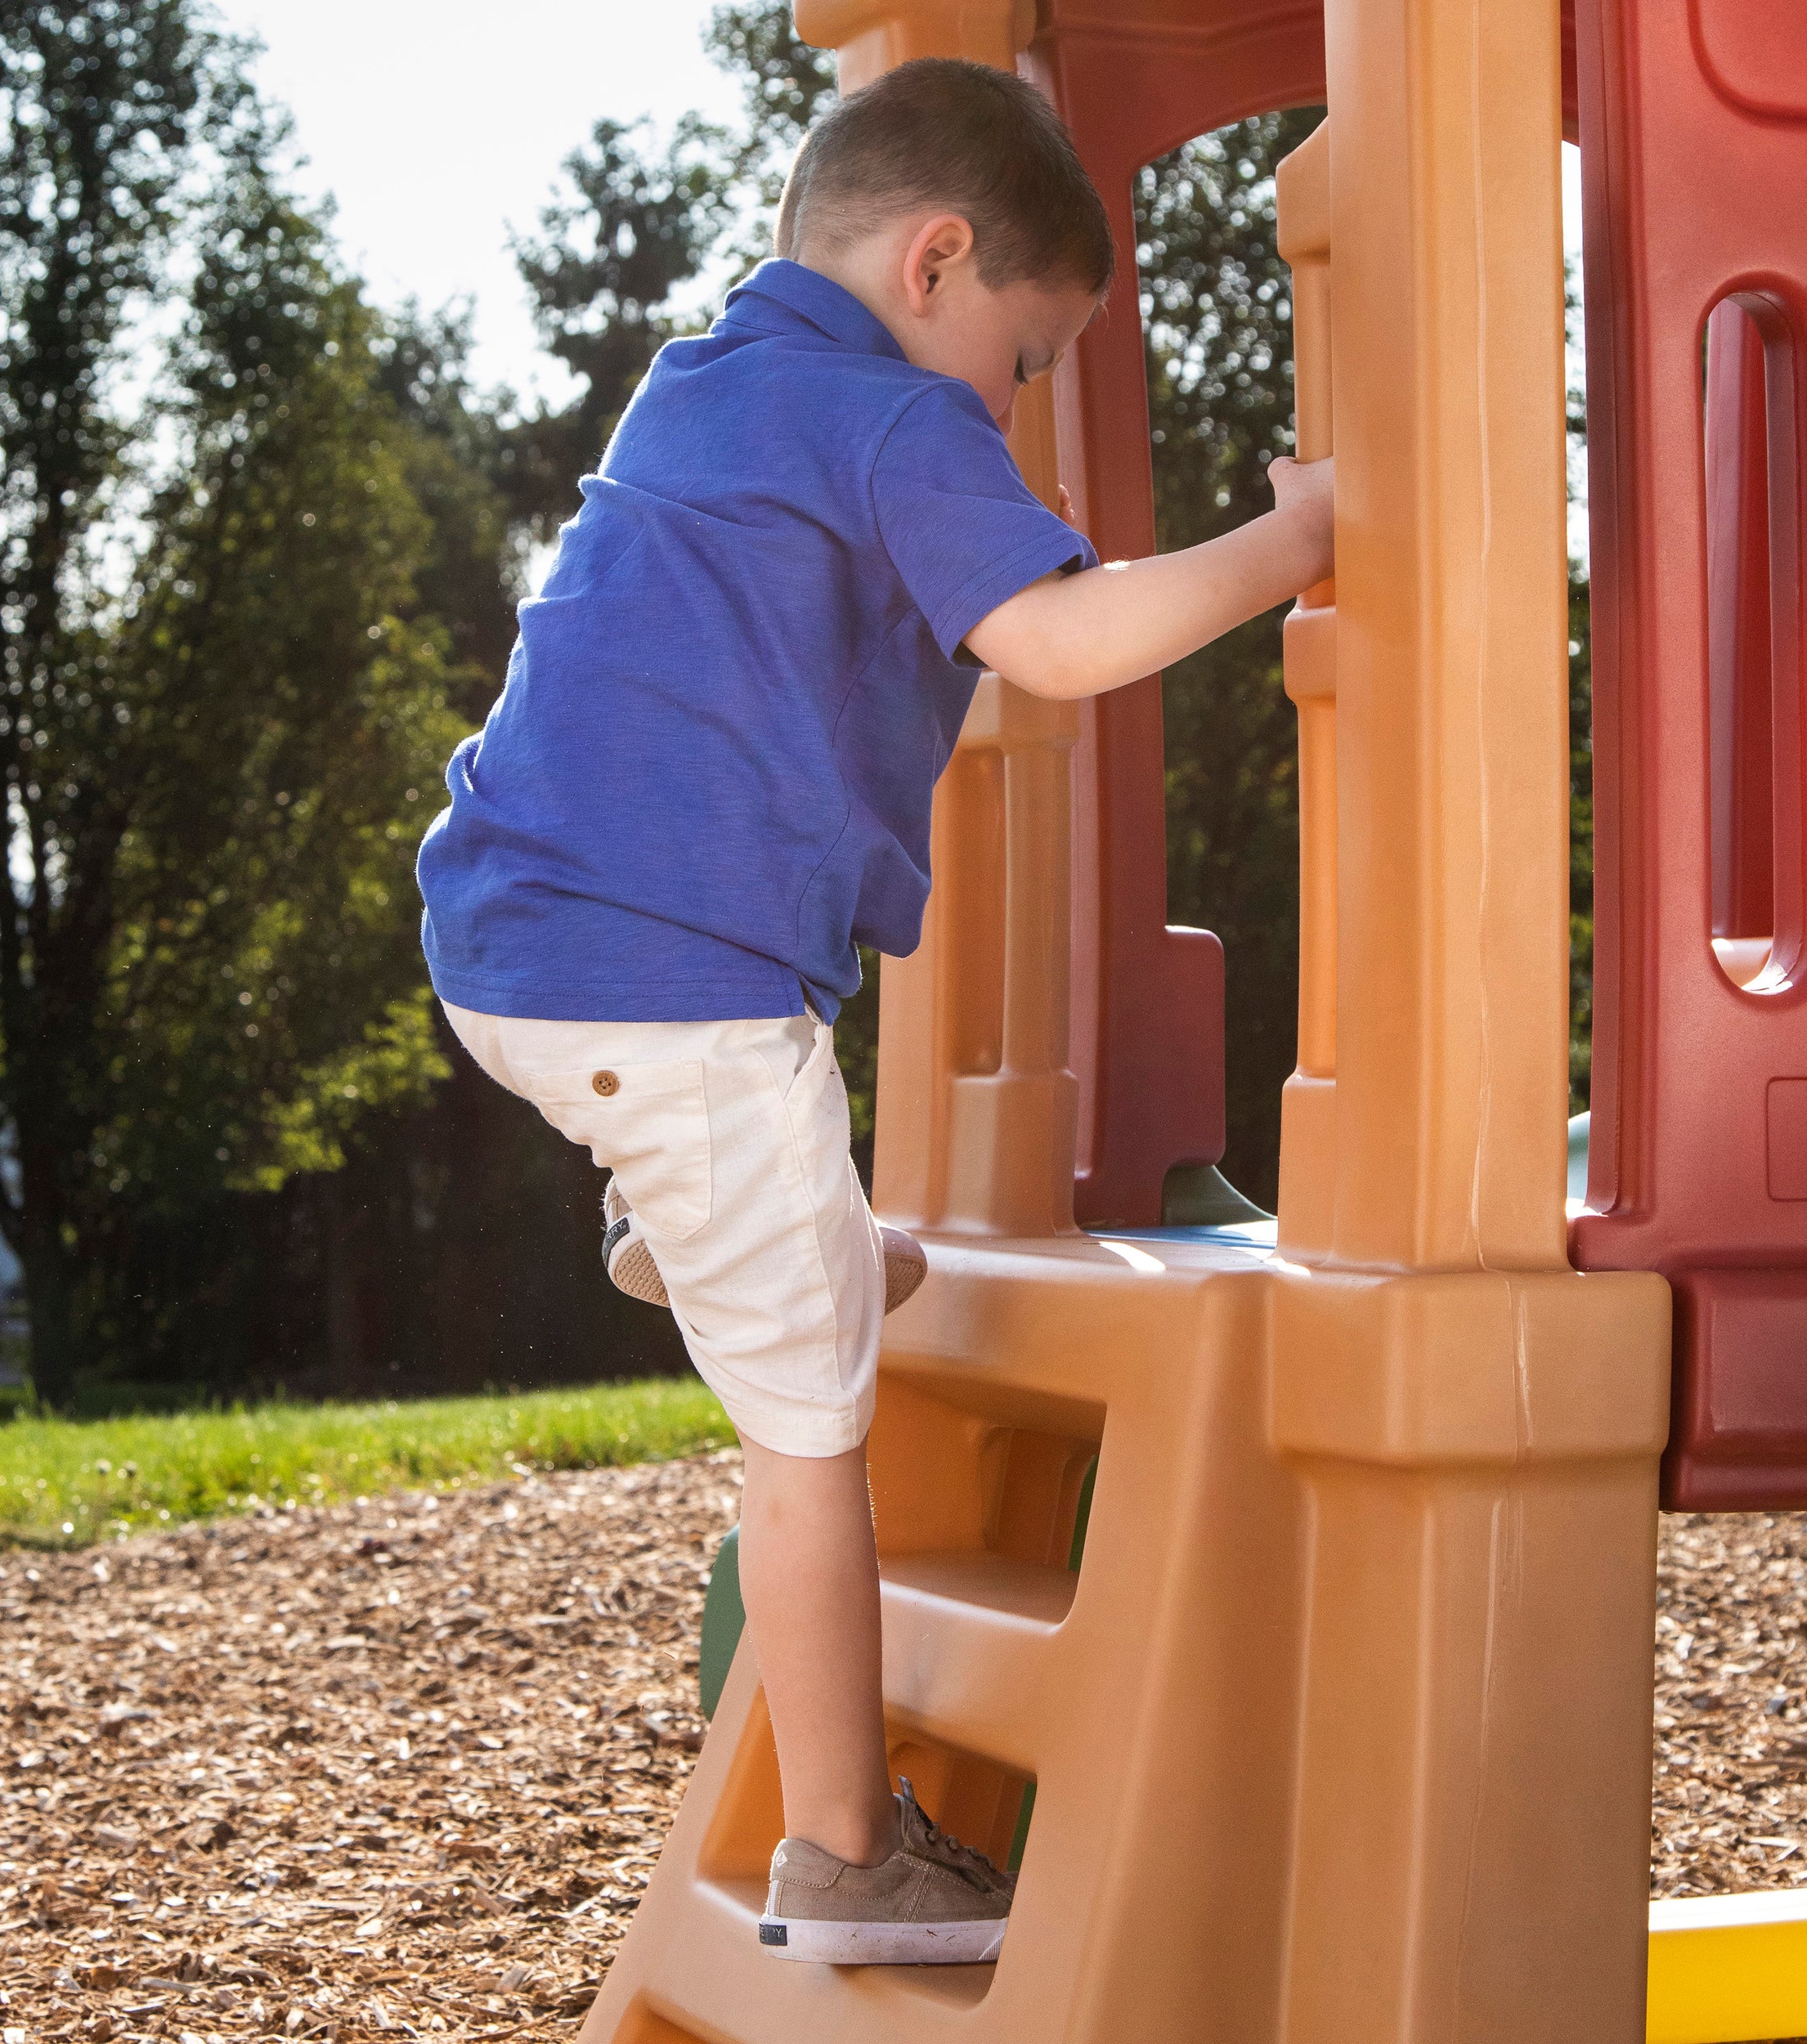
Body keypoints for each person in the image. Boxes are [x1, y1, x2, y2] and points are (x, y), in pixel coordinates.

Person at [416, 56, 1334, 1966]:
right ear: (934, 264)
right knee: (807, 1430)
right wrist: (1295, 541)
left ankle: (701, 1216)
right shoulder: (898, 421)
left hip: (510, 936)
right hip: (666, 989)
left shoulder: (714, 376)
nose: (1007, 407)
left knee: (785, 1221)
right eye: (1020, 355)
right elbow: (1060, 648)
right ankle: (846, 1851)